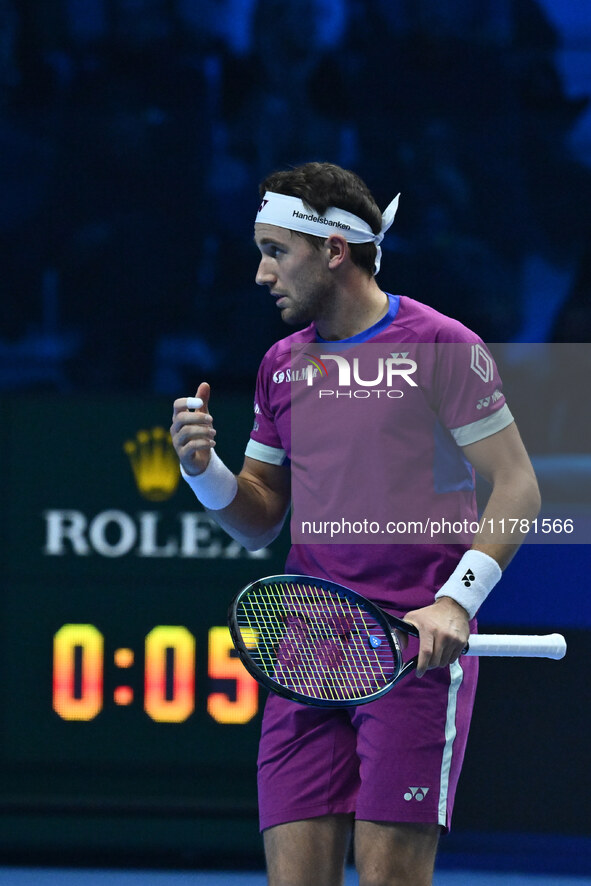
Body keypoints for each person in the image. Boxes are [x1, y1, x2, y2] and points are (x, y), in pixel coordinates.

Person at [170, 162, 541, 886]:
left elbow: (518, 486)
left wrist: (455, 601)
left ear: (333, 250)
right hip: (307, 652)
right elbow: (258, 519)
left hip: (411, 654)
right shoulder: (282, 365)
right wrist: (202, 471)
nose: (259, 273)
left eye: (275, 250)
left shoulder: (441, 346)